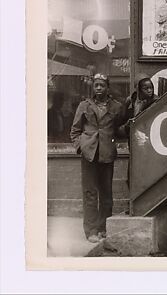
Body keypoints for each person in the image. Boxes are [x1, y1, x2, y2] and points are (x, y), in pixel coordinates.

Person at [69, 73, 126, 243]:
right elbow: (75, 130)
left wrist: (129, 126)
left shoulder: (116, 107)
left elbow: (118, 130)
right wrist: (81, 146)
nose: (99, 88)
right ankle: (91, 231)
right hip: (89, 155)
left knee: (106, 194)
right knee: (90, 193)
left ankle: (103, 228)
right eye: (96, 85)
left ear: (108, 87)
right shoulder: (84, 105)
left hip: (107, 154)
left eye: (102, 85)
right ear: (93, 88)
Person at [120, 74, 159, 188]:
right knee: (132, 174)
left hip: (149, 142)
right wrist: (127, 125)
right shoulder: (130, 102)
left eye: (151, 87)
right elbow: (122, 121)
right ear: (138, 89)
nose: (149, 90)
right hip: (134, 142)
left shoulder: (156, 101)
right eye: (146, 88)